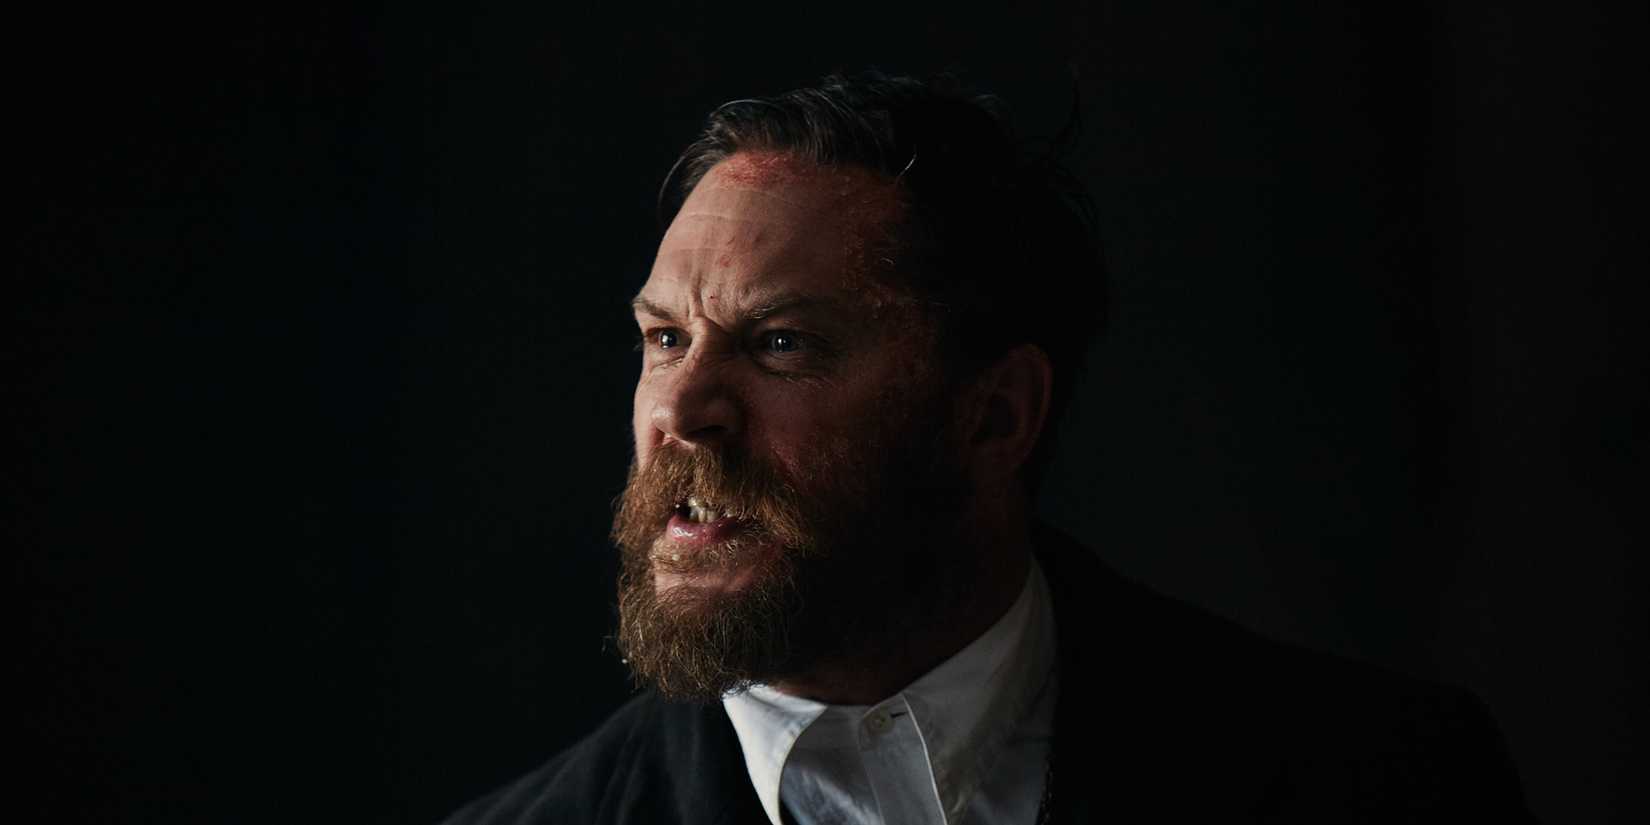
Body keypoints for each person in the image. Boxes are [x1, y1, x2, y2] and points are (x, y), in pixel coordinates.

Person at [443, 71, 1534, 824]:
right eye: (665, 339)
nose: (681, 413)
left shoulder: (1382, 783)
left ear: (997, 415)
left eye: (779, 344)